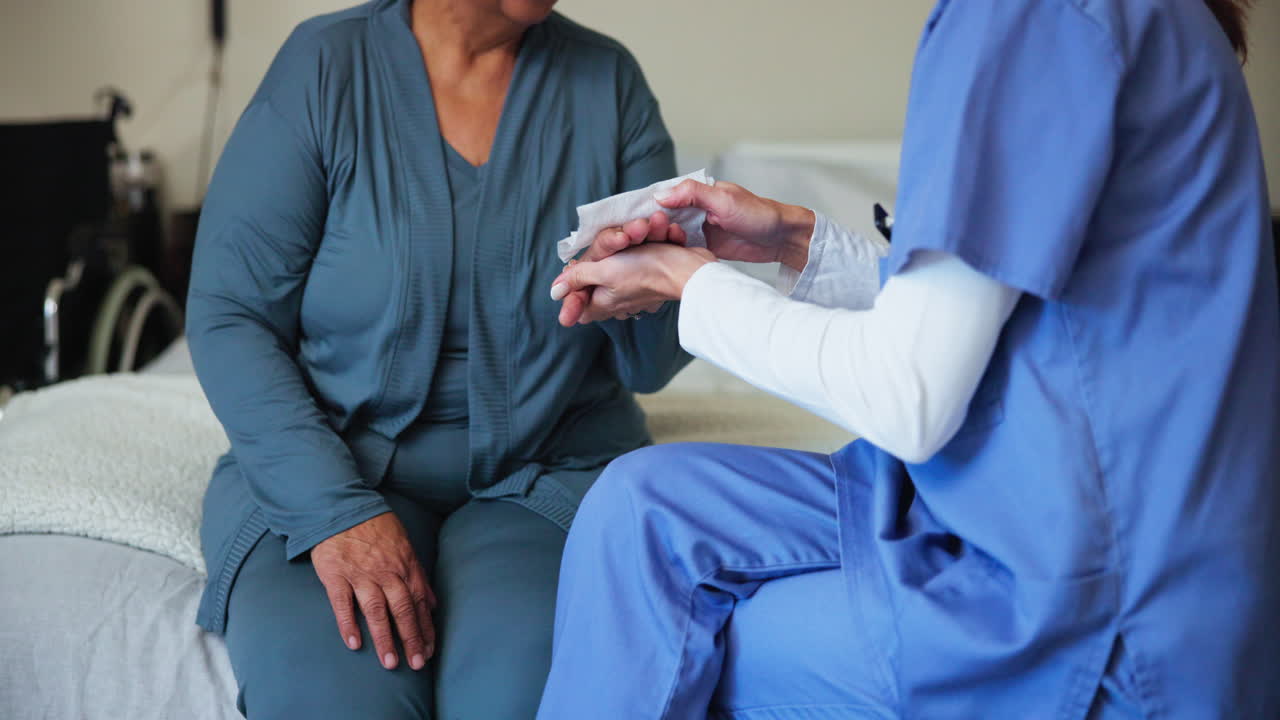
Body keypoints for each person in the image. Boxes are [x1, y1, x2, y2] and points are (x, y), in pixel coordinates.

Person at [537, 0, 1279, 717]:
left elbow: (908, 397)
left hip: (1098, 608)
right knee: (641, 503)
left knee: (680, 637)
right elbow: (1009, 312)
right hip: (1039, 503)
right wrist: (799, 241)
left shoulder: (1029, 17)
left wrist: (688, 283)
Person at [184, 0, 690, 717]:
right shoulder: (326, 66)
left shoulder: (606, 81)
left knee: (518, 696)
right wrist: (333, 513)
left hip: (548, 476)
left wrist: (660, 283)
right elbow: (231, 313)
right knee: (333, 698)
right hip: (330, 464)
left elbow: (651, 362)